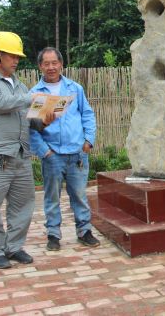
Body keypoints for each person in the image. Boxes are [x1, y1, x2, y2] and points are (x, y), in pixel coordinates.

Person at [0, 32, 54, 269]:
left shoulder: (19, 85)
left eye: (18, 56)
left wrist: (45, 119)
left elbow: (31, 119)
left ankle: (14, 247)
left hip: (21, 155)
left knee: (23, 205)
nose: (16, 60)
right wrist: (29, 98)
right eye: (11, 55)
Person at [29, 47, 99, 251]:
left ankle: (84, 231)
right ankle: (53, 235)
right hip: (53, 155)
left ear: (61, 64)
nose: (51, 67)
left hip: (77, 153)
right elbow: (32, 128)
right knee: (52, 197)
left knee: (79, 194)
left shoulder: (74, 88)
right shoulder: (36, 94)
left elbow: (87, 114)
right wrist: (44, 151)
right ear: (40, 66)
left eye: (54, 63)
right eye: (46, 63)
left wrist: (88, 140)